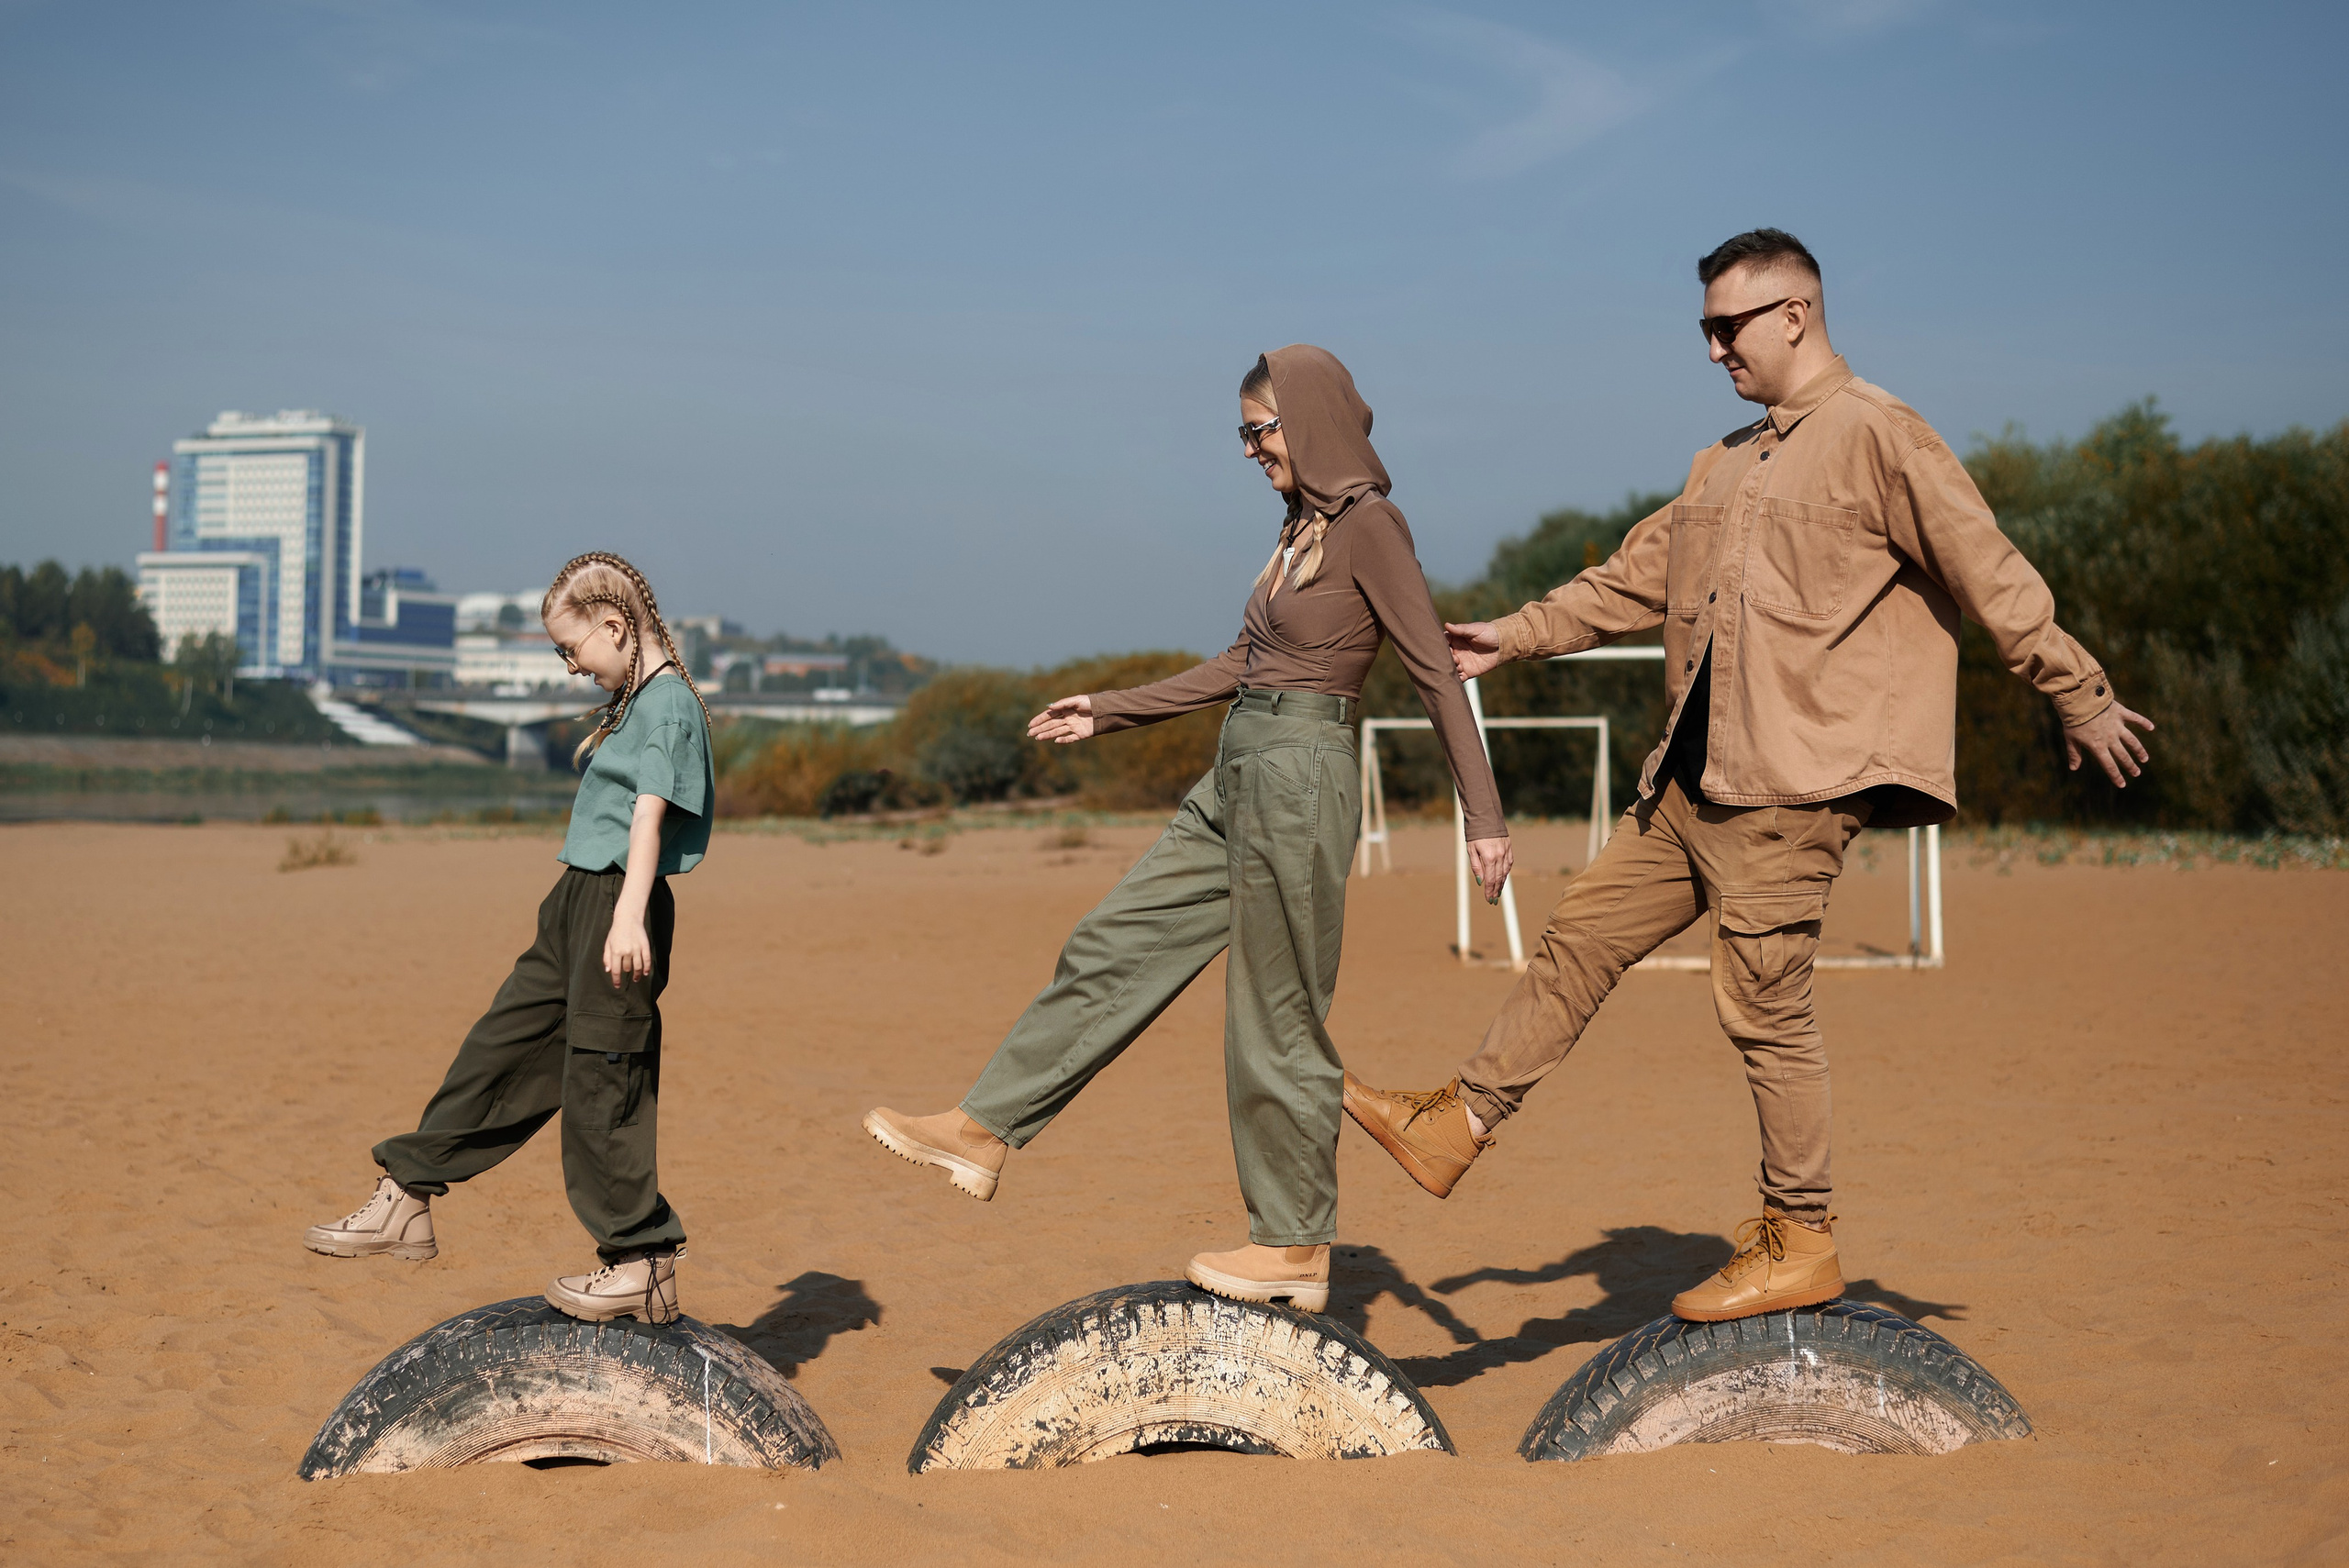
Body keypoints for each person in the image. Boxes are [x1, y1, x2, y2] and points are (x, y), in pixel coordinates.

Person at [1344, 229, 2154, 1322]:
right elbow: (1633, 577)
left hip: (1798, 780)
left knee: (1764, 1007)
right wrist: (1517, 635)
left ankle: (1801, 1233)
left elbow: (1988, 565)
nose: (1714, 348)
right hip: (1689, 776)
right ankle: (1461, 1121)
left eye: (1728, 326)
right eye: (1703, 329)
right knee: (1579, 935)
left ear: (1795, 313)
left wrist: (2076, 688)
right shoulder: (1720, 462)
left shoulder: (1881, 435)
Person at [863, 345, 1514, 1312]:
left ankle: (1294, 1243)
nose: (1251, 449)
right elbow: (1240, 662)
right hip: (1239, 764)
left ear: (1312, 421)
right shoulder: (1295, 530)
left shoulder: (1372, 527)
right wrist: (1112, 708)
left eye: (1263, 428)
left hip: (1302, 775)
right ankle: (986, 1127)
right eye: (1243, 433)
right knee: (1116, 940)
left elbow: (1430, 667)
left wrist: (1484, 815)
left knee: (1272, 1016)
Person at [302, 552, 717, 1325]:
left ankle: (639, 1257)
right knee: (501, 1046)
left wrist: (628, 914)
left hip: (615, 904)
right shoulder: (637, 699)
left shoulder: (667, 706)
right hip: (577, 899)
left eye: (572, 649)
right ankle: (407, 1192)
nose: (570, 667)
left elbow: (649, 813)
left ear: (614, 626)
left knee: (604, 1079)